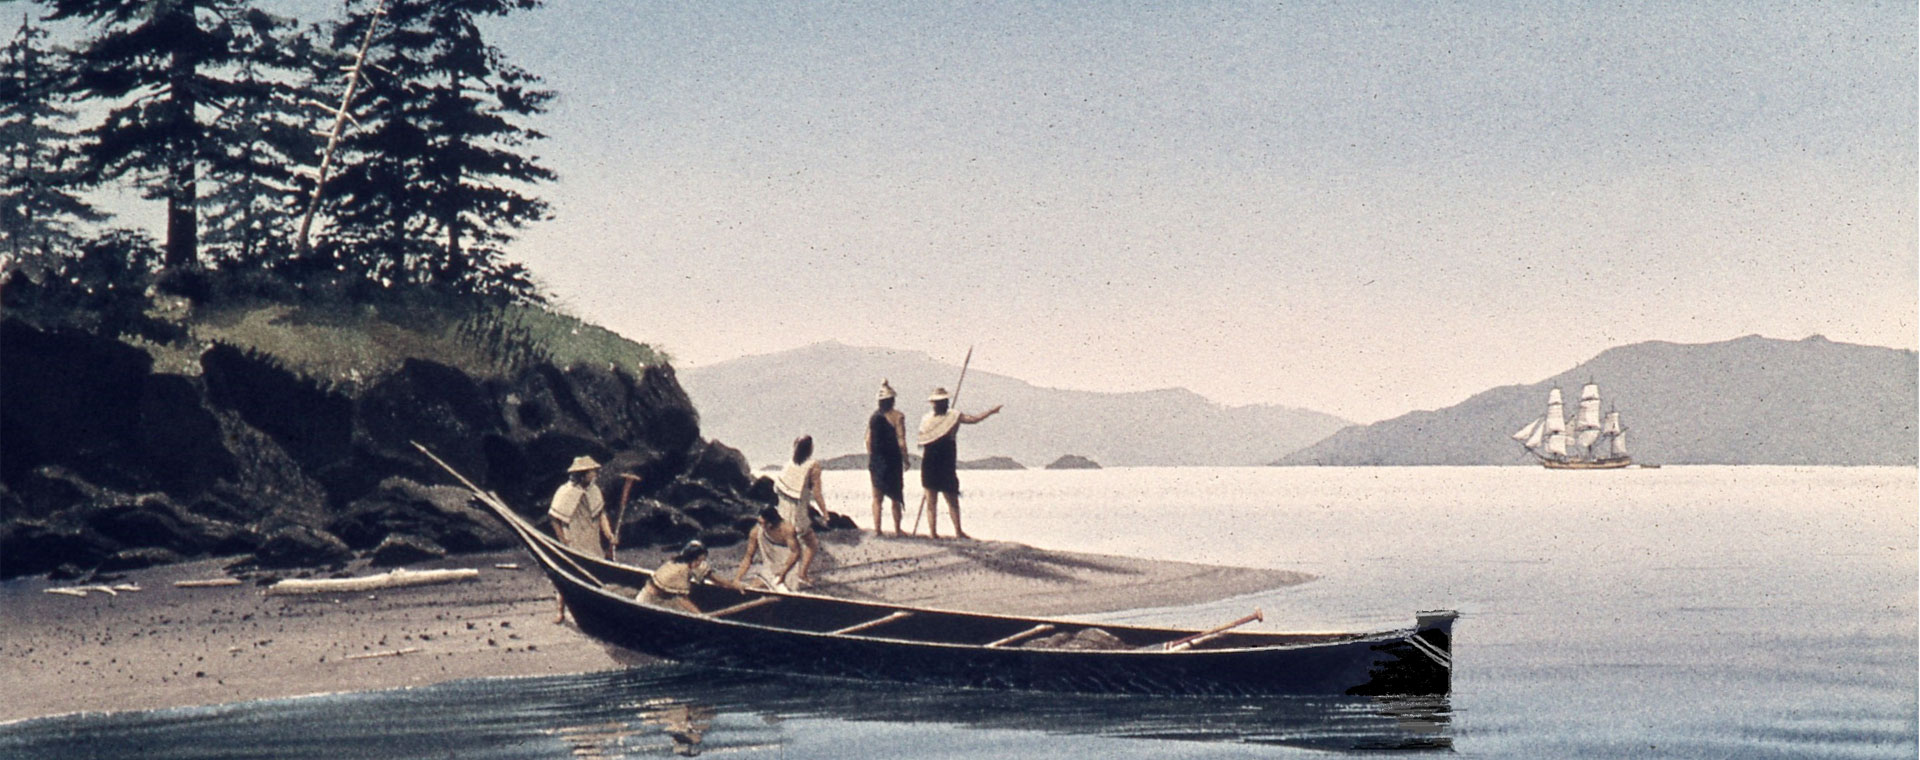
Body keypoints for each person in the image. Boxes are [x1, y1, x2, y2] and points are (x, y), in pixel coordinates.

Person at [917, 387, 1001, 539]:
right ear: (934, 403)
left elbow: (974, 419)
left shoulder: (954, 416)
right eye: (939, 402)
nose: (942, 404)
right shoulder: (926, 419)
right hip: (930, 460)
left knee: (951, 498)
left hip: (946, 461)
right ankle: (933, 533)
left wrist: (990, 412)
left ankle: (958, 531)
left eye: (943, 402)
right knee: (931, 500)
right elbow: (922, 438)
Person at [548, 455, 614, 623]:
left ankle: (595, 611)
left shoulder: (594, 490)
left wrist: (608, 534)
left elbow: (601, 514)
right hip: (574, 539)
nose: (595, 474)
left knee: (595, 575)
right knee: (567, 575)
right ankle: (560, 611)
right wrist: (563, 540)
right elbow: (554, 518)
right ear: (583, 474)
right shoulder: (566, 491)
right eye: (592, 472)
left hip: (591, 540)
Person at [772, 435, 825, 587]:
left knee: (796, 547)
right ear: (810, 448)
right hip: (798, 513)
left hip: (784, 511)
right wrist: (824, 513)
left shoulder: (789, 464)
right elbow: (817, 493)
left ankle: (789, 575)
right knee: (811, 544)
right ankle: (789, 576)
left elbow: (777, 488)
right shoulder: (813, 465)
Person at [638, 540, 736, 614]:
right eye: (698, 561)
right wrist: (700, 615)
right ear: (691, 558)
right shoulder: (680, 570)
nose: (700, 564)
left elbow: (712, 576)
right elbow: (682, 599)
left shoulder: (690, 564)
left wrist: (733, 585)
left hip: (664, 598)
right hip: (650, 602)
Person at [866, 379, 910, 536]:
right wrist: (906, 459)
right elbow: (901, 440)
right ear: (892, 400)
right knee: (896, 496)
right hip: (892, 460)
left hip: (877, 460)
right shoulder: (898, 416)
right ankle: (897, 529)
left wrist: (873, 457)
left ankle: (878, 530)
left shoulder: (873, 417)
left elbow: (868, 440)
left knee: (877, 497)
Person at [732, 506, 801, 591]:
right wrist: (737, 578)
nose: (759, 525)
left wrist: (783, 573)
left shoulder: (787, 530)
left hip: (788, 571)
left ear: (770, 524)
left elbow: (796, 553)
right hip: (769, 570)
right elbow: (748, 557)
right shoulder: (756, 532)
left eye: (761, 523)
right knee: (753, 587)